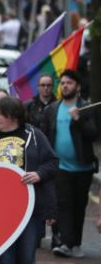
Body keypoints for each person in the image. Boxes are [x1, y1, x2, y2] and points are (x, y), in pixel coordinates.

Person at [0, 96, 58, 263]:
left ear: (14, 116)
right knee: (3, 257)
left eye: (1, 114)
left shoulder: (34, 135)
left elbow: (53, 162)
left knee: (26, 256)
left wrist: (39, 174)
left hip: (28, 209)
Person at [43, 71, 97, 258]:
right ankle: (65, 242)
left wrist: (78, 119)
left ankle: (75, 243)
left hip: (83, 167)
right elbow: (46, 135)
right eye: (63, 83)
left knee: (79, 205)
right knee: (63, 203)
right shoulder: (52, 109)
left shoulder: (86, 108)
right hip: (60, 167)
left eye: (69, 83)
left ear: (78, 86)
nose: (65, 86)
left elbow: (94, 135)